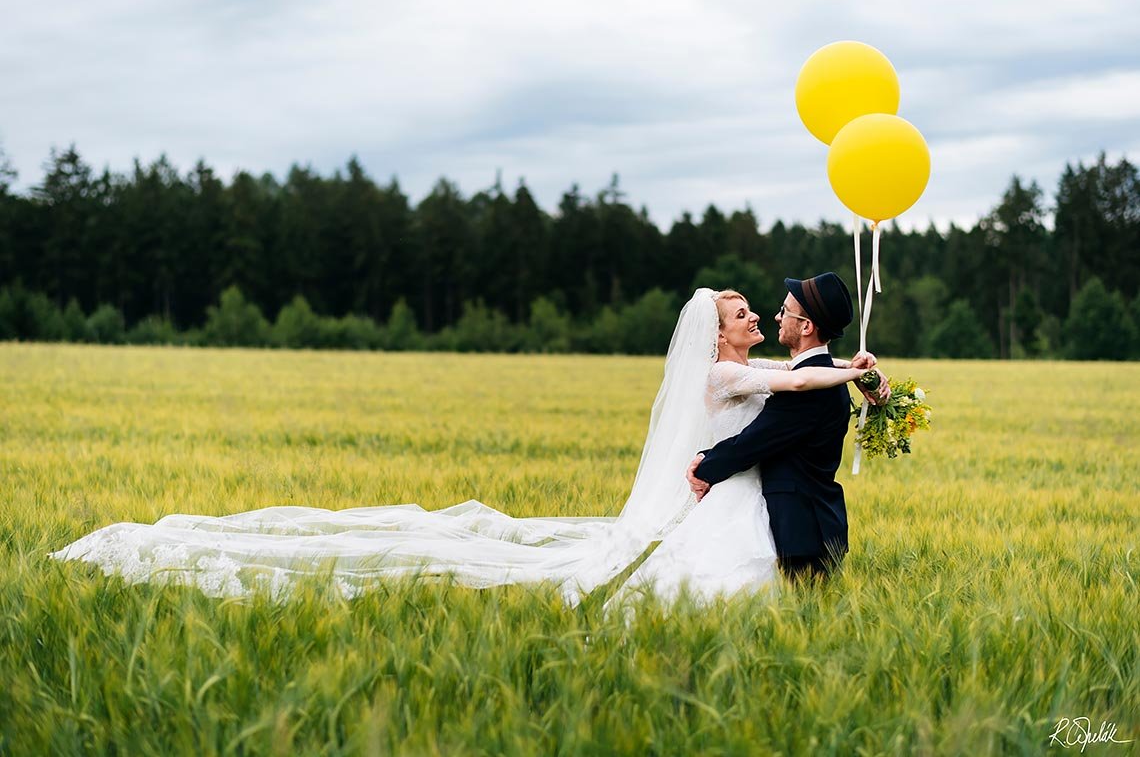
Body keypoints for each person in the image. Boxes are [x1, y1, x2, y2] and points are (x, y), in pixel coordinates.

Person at [50, 285, 878, 605]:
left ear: (800, 323)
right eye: (742, 313)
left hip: (727, 492)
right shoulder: (736, 376)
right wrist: (851, 373)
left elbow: (788, 381)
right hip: (723, 491)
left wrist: (856, 377)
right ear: (720, 332)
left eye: (761, 311)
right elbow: (792, 386)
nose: (756, 318)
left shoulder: (761, 366)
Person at [686, 272, 884, 583]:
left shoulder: (807, 390)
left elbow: (754, 442)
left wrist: (703, 465)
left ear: (806, 326)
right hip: (801, 523)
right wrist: (860, 370)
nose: (775, 316)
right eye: (741, 314)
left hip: (799, 531)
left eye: (785, 310)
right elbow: (795, 372)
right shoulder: (745, 373)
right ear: (720, 335)